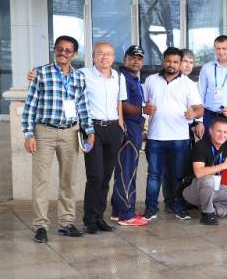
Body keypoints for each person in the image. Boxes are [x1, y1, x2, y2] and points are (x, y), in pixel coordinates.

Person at [21, 35, 94, 243]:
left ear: (75, 54)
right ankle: (40, 226)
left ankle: (66, 223)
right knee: (41, 180)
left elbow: (83, 106)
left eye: (68, 50)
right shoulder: (40, 73)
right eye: (59, 49)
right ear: (54, 50)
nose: (63, 53)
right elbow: (30, 105)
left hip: (71, 132)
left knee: (68, 179)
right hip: (44, 132)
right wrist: (28, 134)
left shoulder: (79, 77)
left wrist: (89, 131)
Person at [143, 47, 204, 221]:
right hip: (155, 136)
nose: (172, 64)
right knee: (154, 175)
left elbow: (200, 108)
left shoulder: (188, 84)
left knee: (178, 176)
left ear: (180, 63)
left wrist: (193, 114)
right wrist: (144, 121)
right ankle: (150, 209)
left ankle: (178, 208)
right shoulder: (151, 80)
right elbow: (144, 105)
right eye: (168, 61)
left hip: (180, 138)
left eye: (175, 62)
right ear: (163, 61)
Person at [78, 42, 126, 235]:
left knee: (106, 177)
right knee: (95, 176)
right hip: (93, 129)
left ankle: (99, 217)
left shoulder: (118, 77)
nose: (104, 57)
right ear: (93, 56)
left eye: (108, 54)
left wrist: (120, 126)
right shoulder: (83, 75)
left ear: (113, 57)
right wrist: (35, 75)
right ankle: (89, 220)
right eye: (100, 53)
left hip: (113, 128)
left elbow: (118, 103)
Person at [110, 45, 149, 227]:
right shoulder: (122, 77)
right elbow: (122, 106)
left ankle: (118, 211)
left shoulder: (133, 78)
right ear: (124, 59)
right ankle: (126, 214)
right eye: (132, 57)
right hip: (127, 128)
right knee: (127, 171)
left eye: (139, 58)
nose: (135, 61)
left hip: (135, 127)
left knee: (124, 170)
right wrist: (143, 110)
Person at [181, 48, 205, 142]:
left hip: (187, 126)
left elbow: (198, 105)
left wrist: (199, 121)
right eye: (185, 61)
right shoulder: (165, 81)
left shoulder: (192, 84)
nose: (188, 65)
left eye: (191, 62)